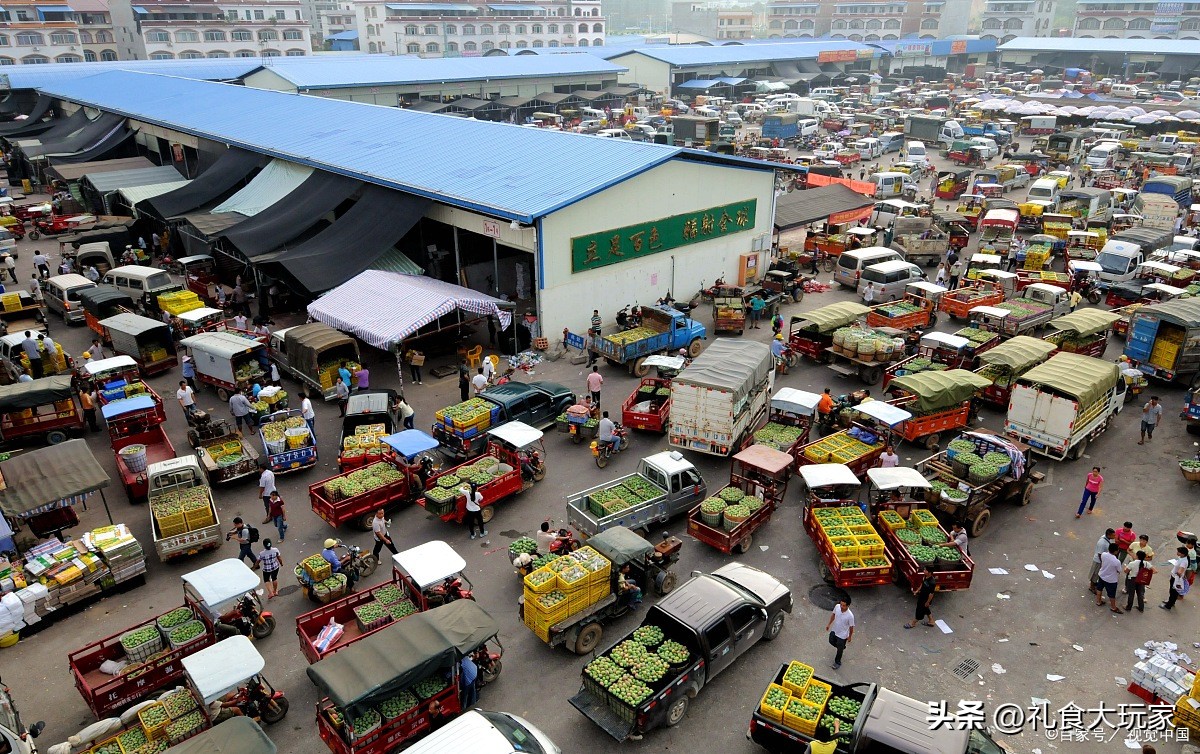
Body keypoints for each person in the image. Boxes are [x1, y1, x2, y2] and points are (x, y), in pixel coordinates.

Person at [825, 597, 854, 670]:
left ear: (848, 606)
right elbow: (833, 615)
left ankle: (837, 662)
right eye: (841, 604)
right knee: (831, 640)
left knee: (839, 651)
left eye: (843, 605)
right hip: (835, 630)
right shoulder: (837, 607)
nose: (841, 606)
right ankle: (841, 647)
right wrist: (829, 624)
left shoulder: (850, 616)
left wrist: (850, 637)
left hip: (842, 635)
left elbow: (851, 627)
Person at [1094, 542, 1124, 614]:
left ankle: (1098, 601)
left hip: (1102, 575)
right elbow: (1119, 570)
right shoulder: (1116, 561)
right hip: (1111, 580)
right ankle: (1113, 607)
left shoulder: (1103, 554)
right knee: (1111, 594)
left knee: (1099, 588)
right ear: (1116, 551)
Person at [1161, 545, 1190, 610]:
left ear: (1183, 554)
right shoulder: (1181, 558)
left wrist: (1178, 573)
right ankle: (1171, 602)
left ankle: (1168, 606)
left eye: (1179, 552)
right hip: (1174, 577)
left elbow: (1180, 571)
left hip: (1176, 579)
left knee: (1173, 592)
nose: (1177, 553)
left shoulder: (1184, 562)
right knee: (1173, 591)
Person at [1089, 528, 1115, 595]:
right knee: (1095, 574)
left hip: (1101, 560)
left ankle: (1094, 584)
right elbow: (1100, 554)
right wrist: (1103, 562)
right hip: (1098, 561)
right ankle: (1092, 587)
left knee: (1097, 574)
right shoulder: (1103, 543)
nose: (1114, 536)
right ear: (1109, 535)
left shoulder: (1106, 538)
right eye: (1113, 535)